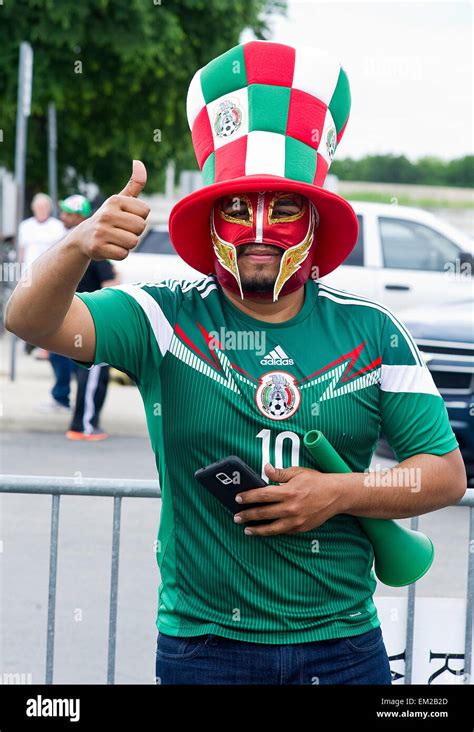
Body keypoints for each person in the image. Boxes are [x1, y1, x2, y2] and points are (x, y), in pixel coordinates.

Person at [5, 41, 466, 685]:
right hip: (205, 649)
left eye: (282, 209)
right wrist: (78, 242)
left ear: (314, 219)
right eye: (235, 207)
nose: (256, 231)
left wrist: (339, 494)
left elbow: (443, 476)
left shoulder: (374, 331)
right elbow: (27, 319)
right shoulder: (161, 319)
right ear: (209, 220)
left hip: (342, 651)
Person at [19, 193, 66, 271]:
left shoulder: (59, 226)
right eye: (39, 207)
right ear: (33, 208)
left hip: (50, 271)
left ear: (49, 208)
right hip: (28, 271)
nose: (41, 209)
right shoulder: (24, 226)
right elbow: (22, 251)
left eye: (44, 207)